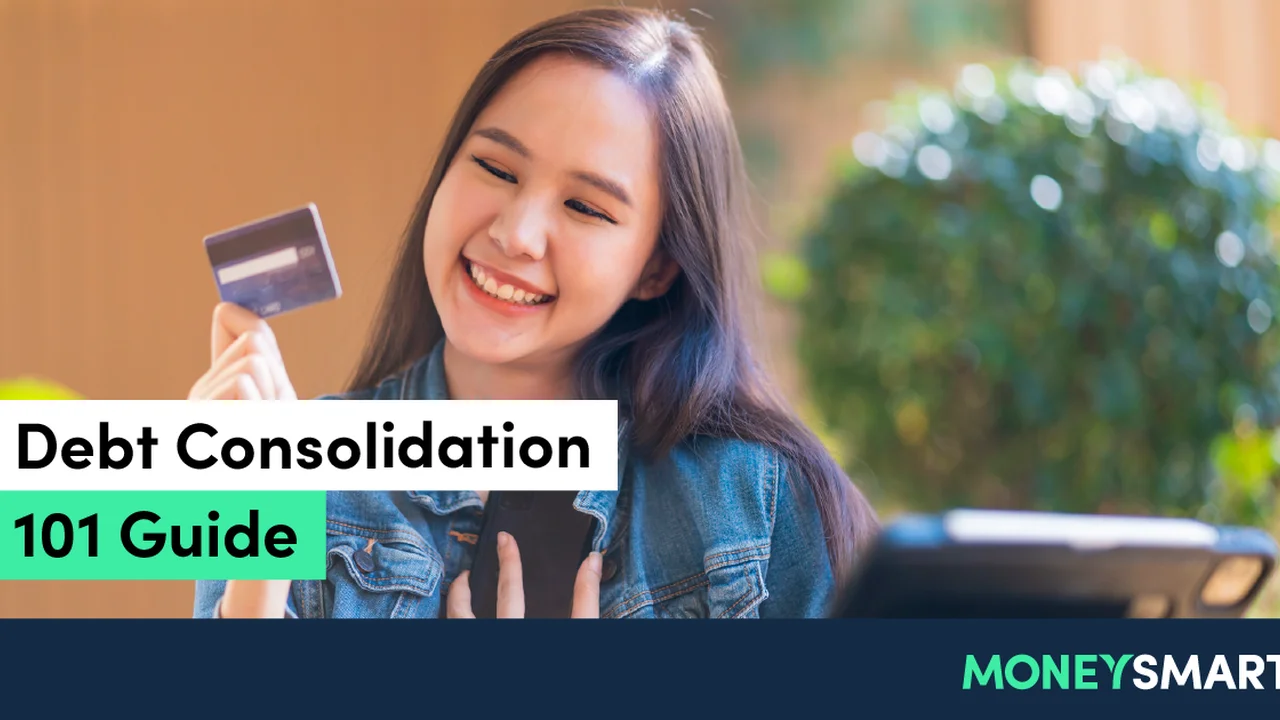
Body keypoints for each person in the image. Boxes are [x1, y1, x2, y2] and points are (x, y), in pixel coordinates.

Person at [190, 5, 878, 619]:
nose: (516, 234)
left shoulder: (755, 502)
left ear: (656, 268)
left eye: (585, 207)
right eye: (497, 169)